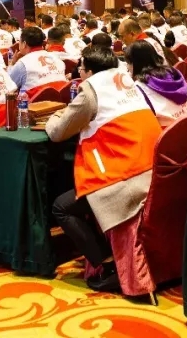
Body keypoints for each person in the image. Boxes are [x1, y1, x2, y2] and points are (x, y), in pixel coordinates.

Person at [46, 45, 162, 292]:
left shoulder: (91, 90)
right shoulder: (129, 82)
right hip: (154, 171)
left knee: (61, 207)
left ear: (89, 71)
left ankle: (107, 264)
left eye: (81, 69)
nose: (79, 73)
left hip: (126, 178)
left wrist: (54, 117)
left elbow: (57, 132)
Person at [127, 39, 187, 126]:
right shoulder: (174, 72)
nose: (127, 67)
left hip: (168, 132)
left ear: (135, 63)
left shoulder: (139, 87)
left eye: (128, 63)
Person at [8, 26, 68, 96]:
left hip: (35, 102)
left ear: (24, 44)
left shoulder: (22, 64)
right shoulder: (56, 58)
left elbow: (8, 85)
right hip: (62, 100)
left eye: (19, 41)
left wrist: (12, 64)